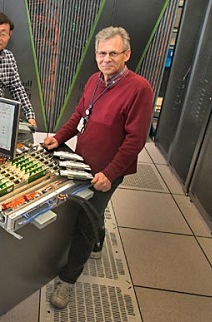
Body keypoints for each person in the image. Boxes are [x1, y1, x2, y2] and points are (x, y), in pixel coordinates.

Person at [41, 26, 154, 309]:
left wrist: (111, 173)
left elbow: (135, 140)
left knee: (85, 222)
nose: (106, 58)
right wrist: (58, 137)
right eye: (101, 53)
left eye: (113, 53)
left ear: (126, 54)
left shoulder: (139, 88)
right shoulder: (94, 80)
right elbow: (79, 115)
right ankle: (98, 233)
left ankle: (68, 279)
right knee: (86, 210)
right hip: (84, 160)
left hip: (108, 170)